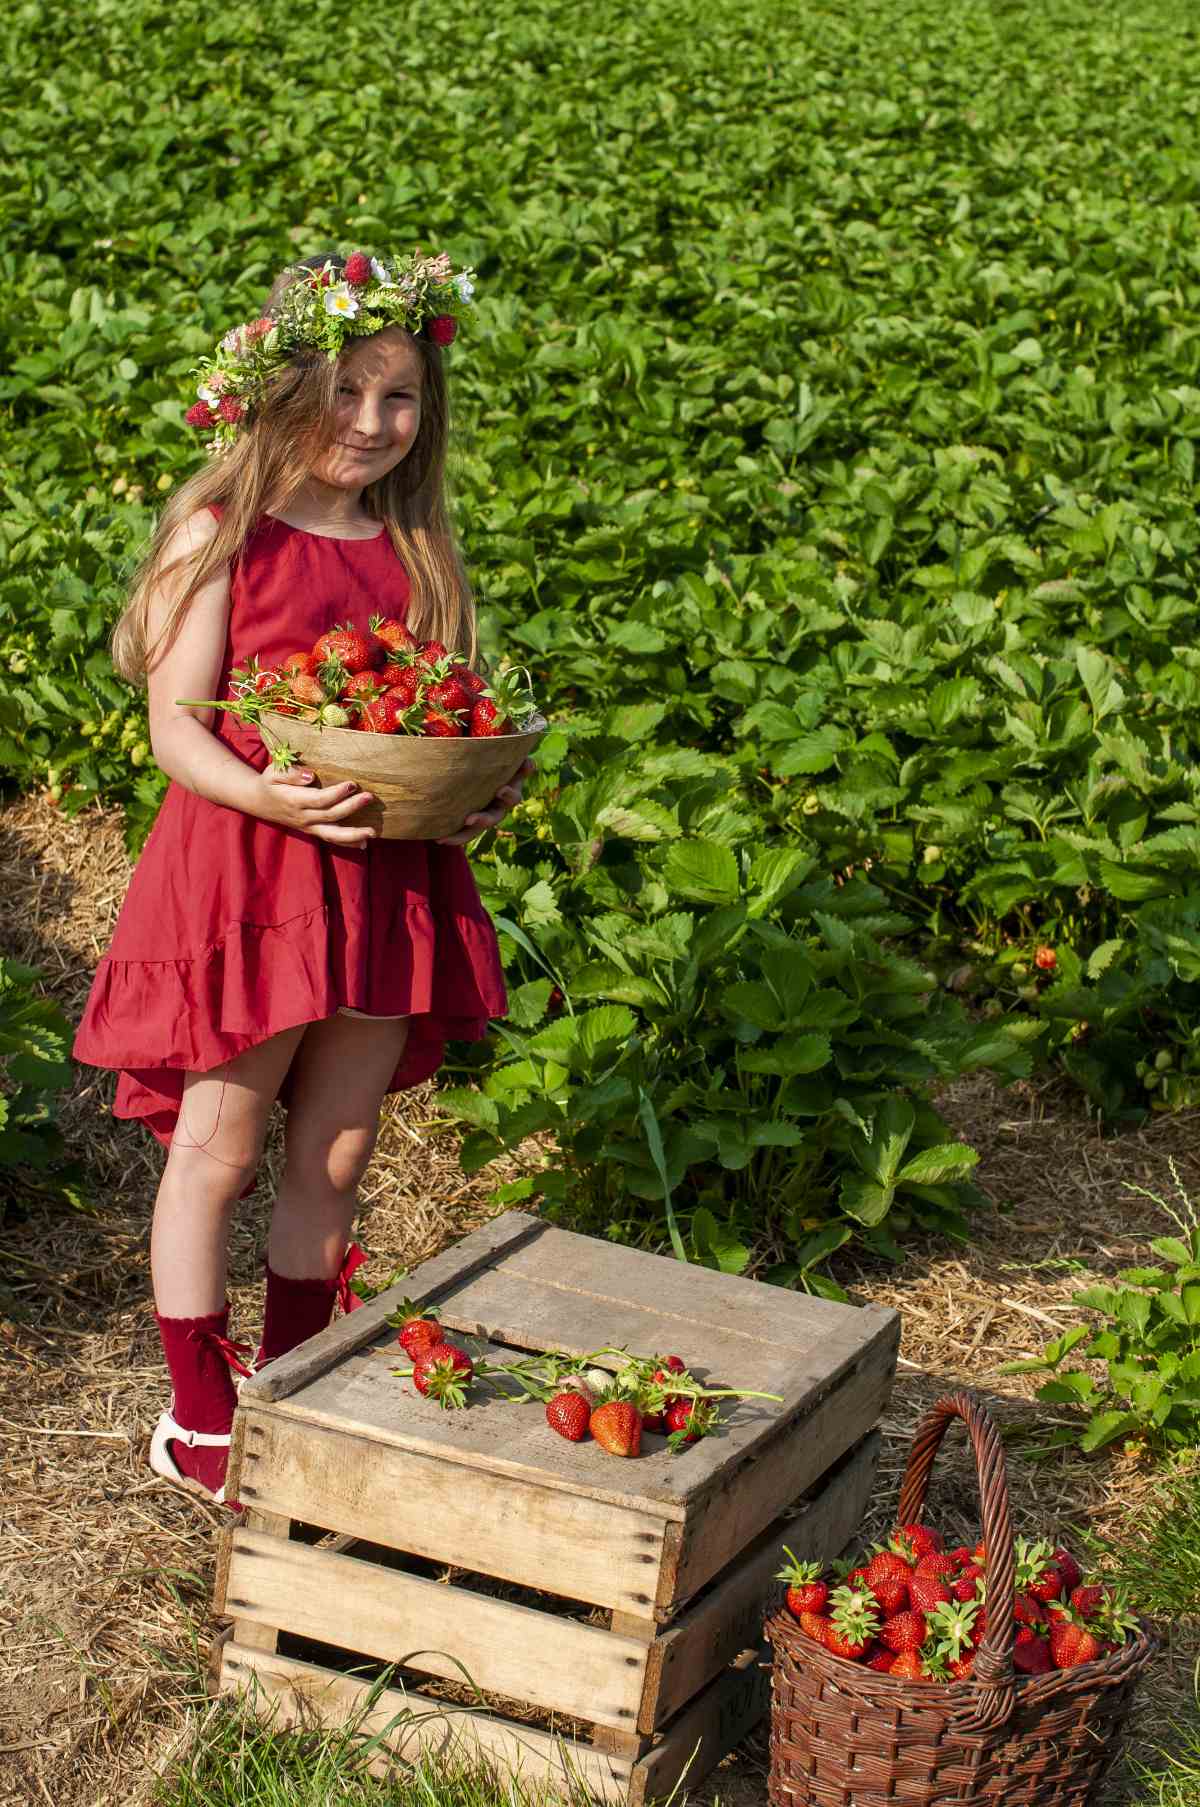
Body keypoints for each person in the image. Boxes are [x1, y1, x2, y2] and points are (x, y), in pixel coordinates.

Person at [73, 248, 527, 1505]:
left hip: (381, 880)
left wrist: (472, 787)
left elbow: (434, 711)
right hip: (251, 873)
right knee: (218, 1147)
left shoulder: (416, 548)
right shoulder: (224, 534)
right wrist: (269, 794)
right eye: (347, 392)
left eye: (400, 397)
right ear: (280, 390)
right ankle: (202, 1416)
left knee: (335, 1153)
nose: (373, 422)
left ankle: (291, 1384)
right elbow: (178, 731)